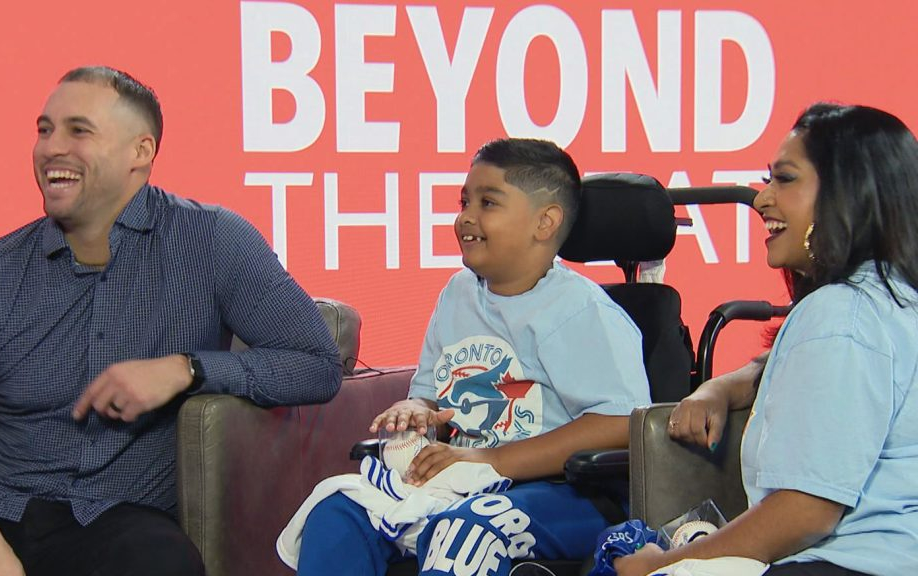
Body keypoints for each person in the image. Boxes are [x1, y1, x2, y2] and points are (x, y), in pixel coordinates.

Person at [0, 66, 342, 576]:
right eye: (44, 130)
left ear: (141, 153)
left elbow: (316, 365)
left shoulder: (213, 242)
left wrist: (187, 370)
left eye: (77, 130)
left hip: (116, 522)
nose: (50, 148)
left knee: (161, 563)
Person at [291, 138, 651, 575]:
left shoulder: (581, 311)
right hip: (465, 479)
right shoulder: (458, 294)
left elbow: (620, 424)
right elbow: (430, 398)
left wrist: (489, 461)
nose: (465, 217)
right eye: (465, 200)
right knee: (337, 511)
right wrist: (416, 409)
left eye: (488, 203)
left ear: (545, 222)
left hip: (564, 492)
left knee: (464, 532)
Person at [616, 103, 918, 576]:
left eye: (786, 179)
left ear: (847, 194)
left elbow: (804, 512)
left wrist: (662, 564)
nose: (761, 200)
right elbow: (796, 370)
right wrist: (720, 386)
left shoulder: (840, 315)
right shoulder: (892, 300)